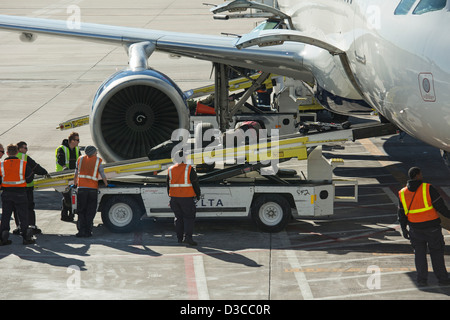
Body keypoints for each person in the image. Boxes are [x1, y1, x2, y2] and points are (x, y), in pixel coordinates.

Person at [398, 166, 450, 286]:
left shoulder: (403, 193)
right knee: (436, 253)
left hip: (415, 229)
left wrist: (403, 229)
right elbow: (441, 207)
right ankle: (442, 278)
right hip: (432, 228)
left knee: (419, 255)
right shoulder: (428, 188)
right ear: (417, 175)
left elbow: (401, 213)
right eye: (420, 174)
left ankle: (422, 280)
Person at [0, 144, 35, 245]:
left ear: (7, 153)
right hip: (20, 193)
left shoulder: (2, 165)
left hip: (6, 193)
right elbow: (29, 178)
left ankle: (3, 236)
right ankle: (26, 236)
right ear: (16, 152)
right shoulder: (23, 164)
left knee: (6, 215)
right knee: (23, 215)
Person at [12, 141, 49, 235]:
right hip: (26, 186)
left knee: (17, 208)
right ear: (19, 149)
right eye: (25, 148)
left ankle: (19, 226)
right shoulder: (24, 157)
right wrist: (44, 172)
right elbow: (35, 167)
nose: (26, 149)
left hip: (15, 187)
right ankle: (32, 226)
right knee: (29, 207)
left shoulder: (12, 158)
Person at [167, 151, 201, 246]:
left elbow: (168, 185)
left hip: (174, 198)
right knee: (189, 218)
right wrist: (198, 195)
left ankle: (179, 238)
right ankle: (188, 238)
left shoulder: (170, 169)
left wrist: (171, 196)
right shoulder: (189, 169)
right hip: (186, 198)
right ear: (184, 158)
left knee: (178, 218)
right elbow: (195, 183)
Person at [73, 145, 108, 237]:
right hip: (92, 189)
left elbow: (76, 173)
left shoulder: (80, 159)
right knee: (90, 211)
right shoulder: (97, 160)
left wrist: (75, 183)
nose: (96, 153)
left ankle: (81, 231)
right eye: (95, 151)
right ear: (93, 152)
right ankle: (88, 231)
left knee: (81, 211)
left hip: (81, 189)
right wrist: (106, 184)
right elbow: (102, 174)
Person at [56, 132, 81, 221]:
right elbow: (60, 160)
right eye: (77, 140)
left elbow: (80, 160)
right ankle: (67, 214)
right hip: (63, 176)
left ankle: (68, 214)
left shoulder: (77, 149)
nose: (79, 142)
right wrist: (64, 167)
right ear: (72, 141)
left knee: (71, 195)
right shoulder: (61, 149)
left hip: (73, 176)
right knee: (67, 195)